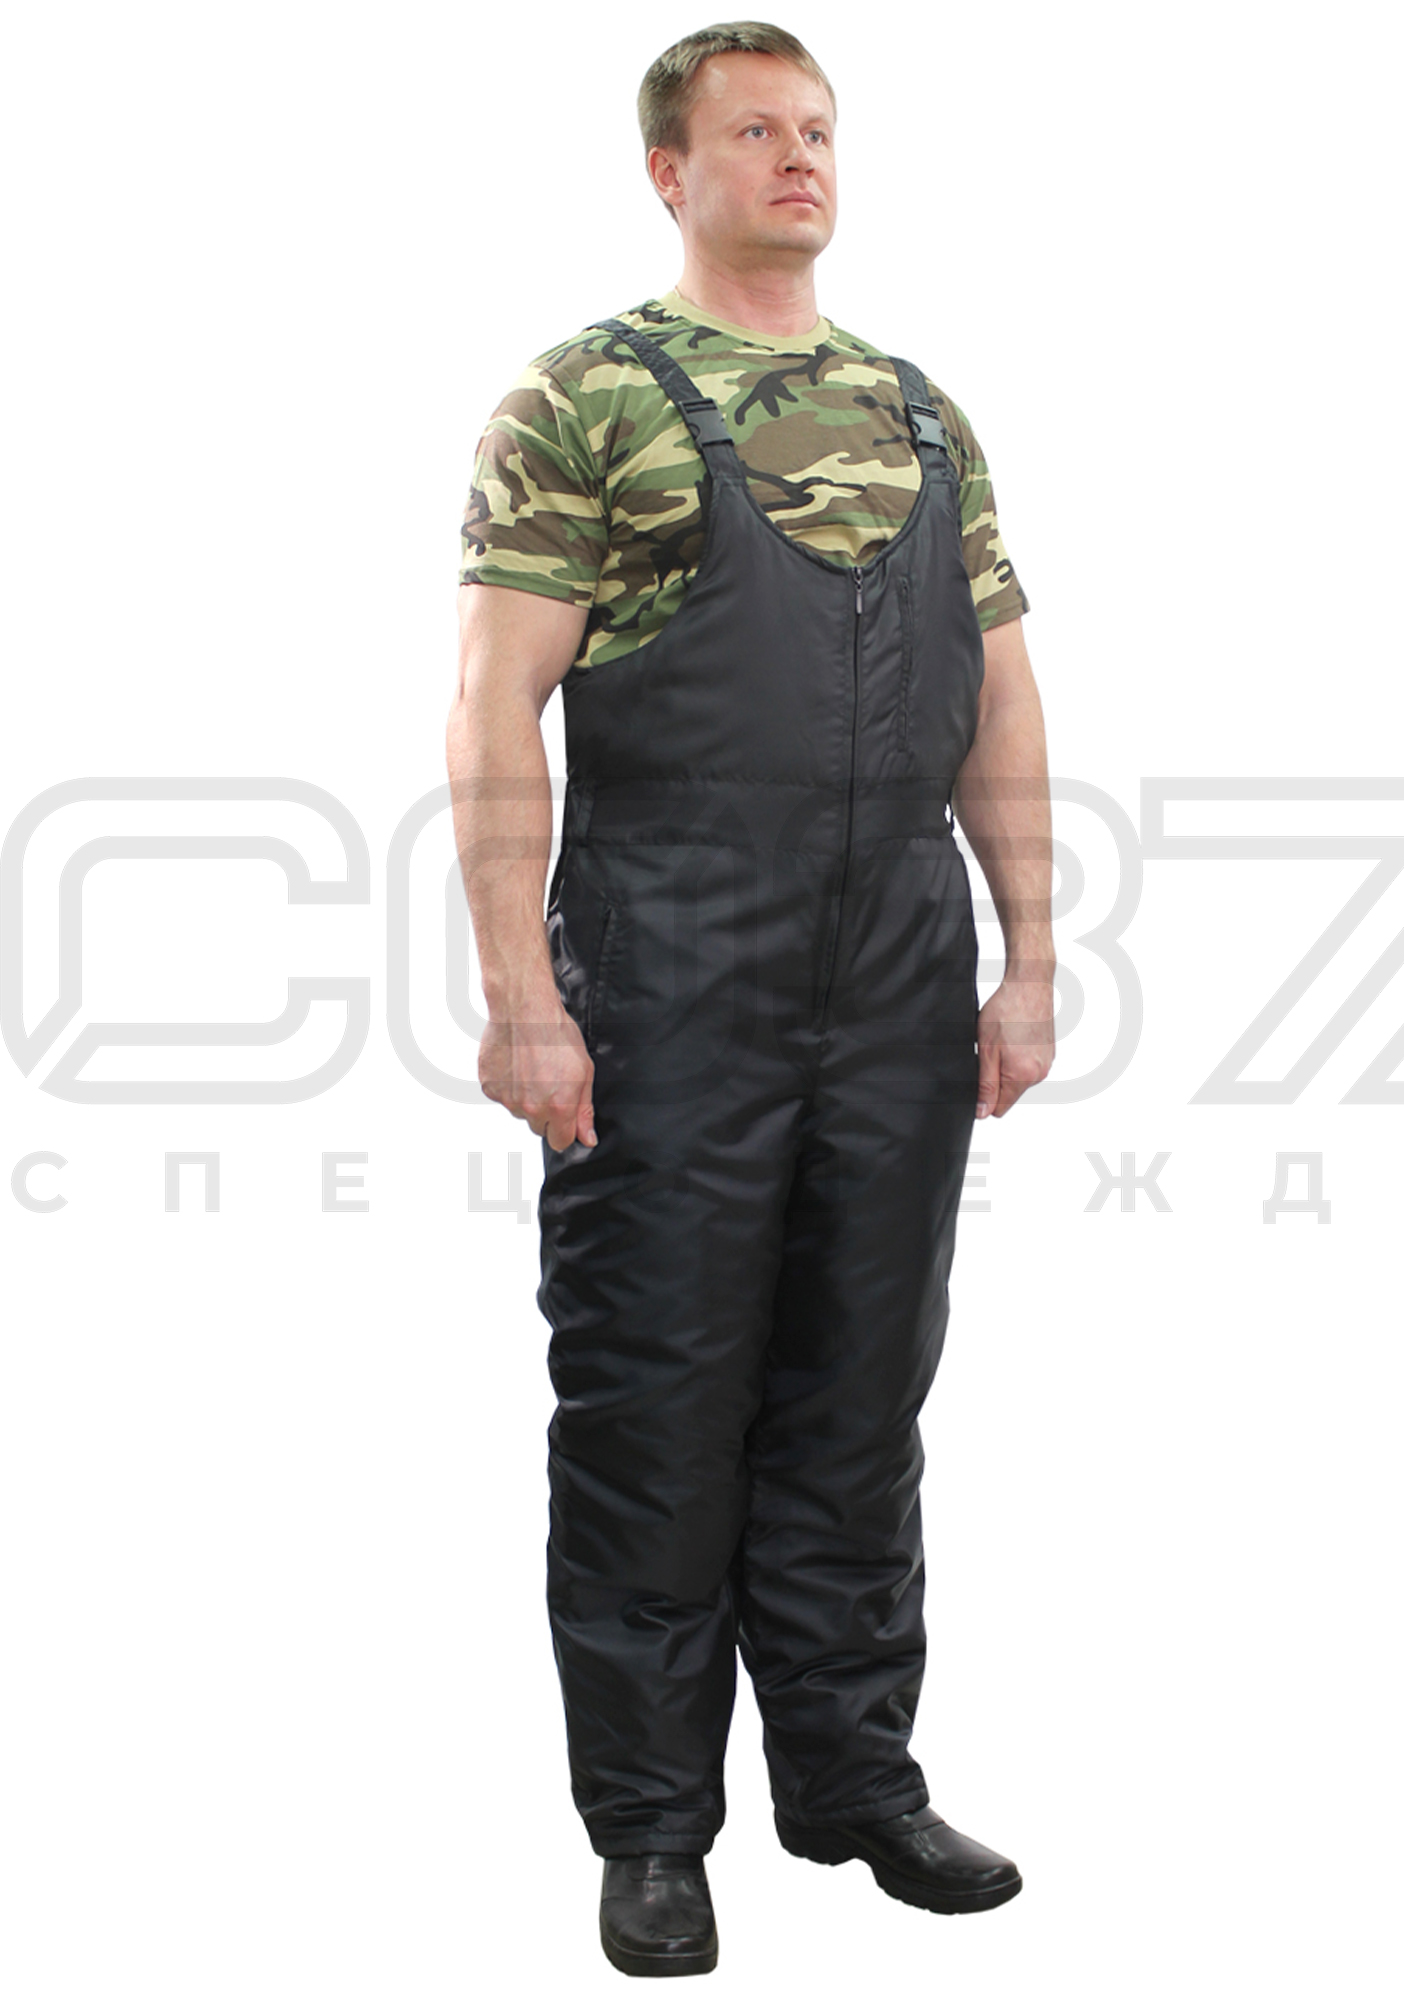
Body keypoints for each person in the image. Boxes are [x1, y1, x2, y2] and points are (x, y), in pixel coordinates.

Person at [447, 21, 1056, 1979]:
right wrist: (522, 998)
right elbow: (493, 705)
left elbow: (1003, 699)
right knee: (659, 1402)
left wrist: (1033, 956)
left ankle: (853, 1779)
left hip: (897, 970)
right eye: (755, 133)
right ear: (670, 170)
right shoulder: (588, 396)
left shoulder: (921, 411)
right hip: (672, 965)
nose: (800, 159)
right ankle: (650, 1829)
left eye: (819, 130)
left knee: (862, 1390)